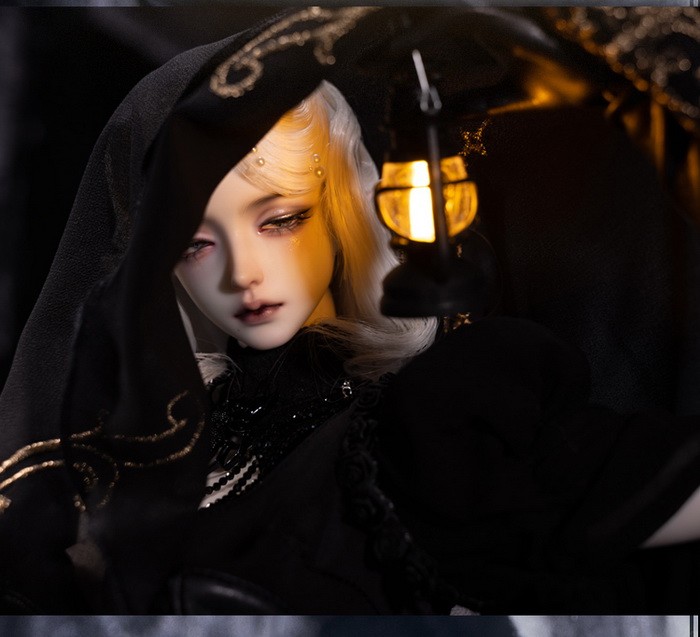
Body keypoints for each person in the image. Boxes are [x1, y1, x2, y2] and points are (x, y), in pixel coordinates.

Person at [1, 6, 700, 615]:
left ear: (338, 208)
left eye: (281, 220)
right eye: (194, 244)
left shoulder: (443, 410)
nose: (243, 274)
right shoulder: (120, 453)